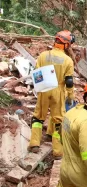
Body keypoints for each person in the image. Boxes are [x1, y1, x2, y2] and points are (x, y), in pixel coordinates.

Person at [28, 30, 75, 159]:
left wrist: (39, 88)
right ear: (66, 44)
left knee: (38, 117)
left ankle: (34, 143)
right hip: (58, 90)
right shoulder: (68, 60)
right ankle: (58, 151)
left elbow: (36, 73)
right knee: (58, 120)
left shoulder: (43, 55)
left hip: (44, 88)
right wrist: (70, 95)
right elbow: (69, 81)